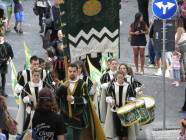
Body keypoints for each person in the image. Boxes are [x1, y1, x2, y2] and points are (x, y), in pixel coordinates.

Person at [55, 63, 106, 140]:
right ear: (67, 71)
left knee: (77, 138)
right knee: (68, 137)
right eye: (70, 71)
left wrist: (74, 99)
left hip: (78, 117)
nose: (72, 73)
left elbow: (86, 99)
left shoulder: (82, 84)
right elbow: (56, 96)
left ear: (77, 72)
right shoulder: (62, 83)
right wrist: (62, 87)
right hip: (65, 116)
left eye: (74, 71)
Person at [105, 71, 136, 140]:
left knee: (125, 123)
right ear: (116, 78)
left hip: (125, 108)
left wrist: (131, 100)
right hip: (115, 108)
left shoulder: (128, 86)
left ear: (123, 78)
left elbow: (132, 95)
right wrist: (111, 100)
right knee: (117, 123)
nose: (120, 79)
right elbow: (108, 96)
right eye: (118, 78)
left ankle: (125, 136)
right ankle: (119, 136)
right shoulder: (112, 85)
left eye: (121, 78)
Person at [16, 69, 47, 136]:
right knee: (27, 130)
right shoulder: (27, 85)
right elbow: (23, 97)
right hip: (31, 111)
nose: (36, 77)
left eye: (38, 75)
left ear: (40, 76)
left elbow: (49, 95)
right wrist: (28, 98)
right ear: (32, 76)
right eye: (34, 75)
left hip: (43, 111)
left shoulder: (44, 84)